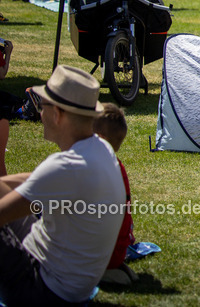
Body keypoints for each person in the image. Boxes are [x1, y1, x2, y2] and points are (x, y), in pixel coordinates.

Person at [0, 66, 125, 304]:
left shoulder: (67, 166)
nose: (39, 114)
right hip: (72, 286)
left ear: (57, 113)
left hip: (39, 288)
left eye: (41, 106)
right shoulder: (98, 149)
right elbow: (35, 180)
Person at [93, 103, 137, 286]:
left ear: (100, 138)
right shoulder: (116, 165)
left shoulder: (97, 167)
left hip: (104, 254)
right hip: (118, 249)